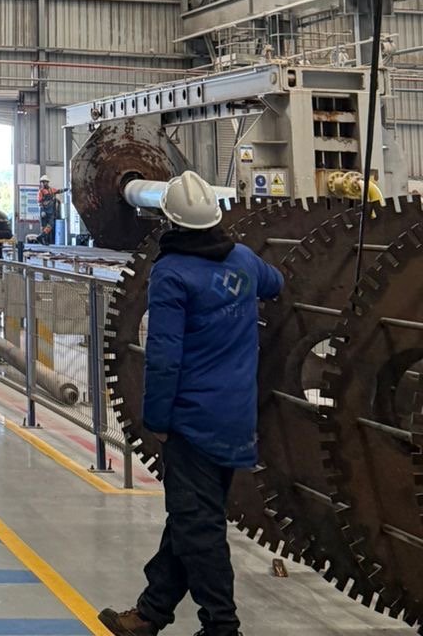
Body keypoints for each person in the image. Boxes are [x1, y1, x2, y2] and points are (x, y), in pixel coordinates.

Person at [98, 171, 284, 636]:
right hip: (237, 419)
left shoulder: (172, 273)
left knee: (198, 528)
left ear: (170, 221)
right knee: (192, 516)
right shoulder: (244, 260)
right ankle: (150, 612)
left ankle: (222, 626)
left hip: (193, 422)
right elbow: (276, 283)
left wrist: (157, 419)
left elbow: (164, 356)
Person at [37, 174, 59, 244]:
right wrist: (43, 210)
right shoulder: (41, 191)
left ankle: (41, 236)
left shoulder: (51, 190)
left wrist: (67, 189)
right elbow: (39, 202)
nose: (43, 183)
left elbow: (59, 191)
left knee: (50, 225)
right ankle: (44, 241)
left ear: (47, 182)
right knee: (43, 226)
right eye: (42, 182)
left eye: (44, 182)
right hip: (44, 211)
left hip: (50, 211)